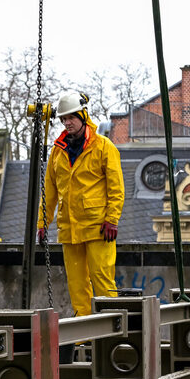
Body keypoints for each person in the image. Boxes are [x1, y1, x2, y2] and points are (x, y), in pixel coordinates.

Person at [37, 92, 125, 318]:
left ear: (83, 116)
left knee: (102, 281)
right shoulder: (58, 152)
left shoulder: (103, 147)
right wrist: (42, 223)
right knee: (77, 286)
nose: (67, 123)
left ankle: (112, 328)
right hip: (69, 229)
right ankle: (83, 331)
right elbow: (50, 192)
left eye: (71, 118)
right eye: (63, 119)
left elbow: (116, 187)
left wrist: (112, 219)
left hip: (98, 228)